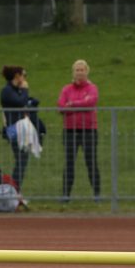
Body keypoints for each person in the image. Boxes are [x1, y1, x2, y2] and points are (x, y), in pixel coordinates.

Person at [57, 59, 100, 201]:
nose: (79, 73)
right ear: (73, 72)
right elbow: (61, 107)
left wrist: (72, 105)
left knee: (91, 162)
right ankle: (65, 195)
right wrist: (76, 107)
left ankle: (97, 194)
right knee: (69, 163)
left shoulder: (92, 88)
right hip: (70, 131)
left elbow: (90, 102)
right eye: (77, 70)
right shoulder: (66, 89)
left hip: (89, 130)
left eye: (82, 70)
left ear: (86, 72)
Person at [0, 65, 43, 191]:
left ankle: (14, 189)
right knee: (21, 160)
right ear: (17, 76)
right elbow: (20, 102)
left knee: (22, 161)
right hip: (15, 129)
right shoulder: (7, 90)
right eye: (24, 75)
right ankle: (13, 189)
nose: (25, 79)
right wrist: (25, 90)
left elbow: (27, 101)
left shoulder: (15, 90)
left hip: (22, 129)